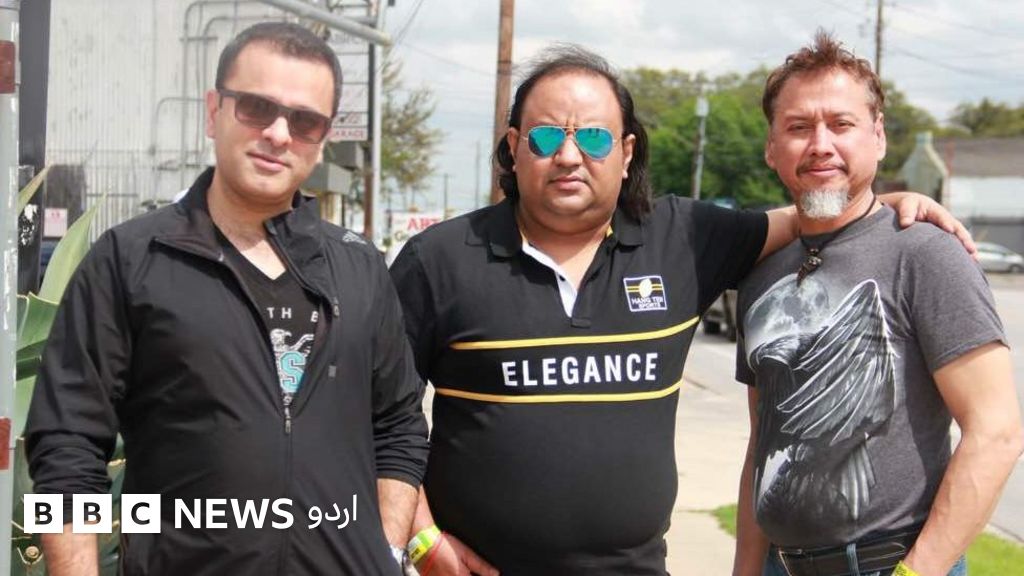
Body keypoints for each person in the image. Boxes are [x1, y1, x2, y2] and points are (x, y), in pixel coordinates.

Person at [388, 44, 971, 576]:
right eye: (544, 138)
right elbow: (375, 415)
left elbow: (814, 215)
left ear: (626, 152)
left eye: (593, 138)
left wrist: (884, 203)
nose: (568, 156)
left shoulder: (684, 239)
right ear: (514, 148)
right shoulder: (437, 260)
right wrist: (422, 538)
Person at [25, 22, 428, 576]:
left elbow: (399, 427)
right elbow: (66, 443)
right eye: (257, 108)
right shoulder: (130, 260)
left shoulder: (359, 268)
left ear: (324, 137)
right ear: (214, 111)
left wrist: (383, 553)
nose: (279, 134)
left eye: (305, 120)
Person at [731, 31, 1024, 576]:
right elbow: (762, 444)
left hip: (888, 563)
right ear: (772, 148)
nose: (821, 144)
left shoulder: (925, 253)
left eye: (841, 124)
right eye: (798, 127)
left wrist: (918, 571)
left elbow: (997, 431)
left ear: (879, 137)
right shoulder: (762, 275)